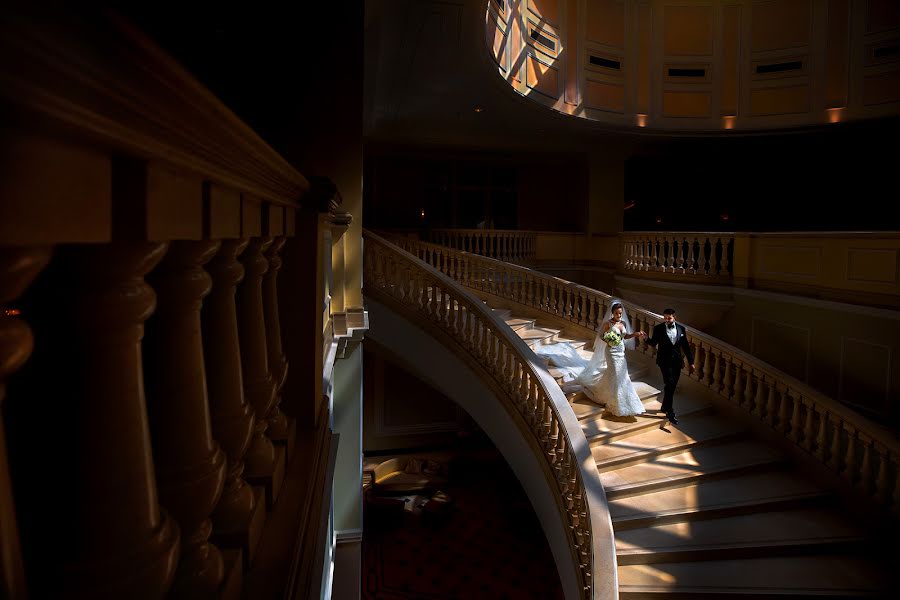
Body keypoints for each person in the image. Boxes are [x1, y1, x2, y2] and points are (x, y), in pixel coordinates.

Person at [575, 300, 646, 417]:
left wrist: (635, 334)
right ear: (612, 313)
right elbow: (601, 336)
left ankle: (621, 398)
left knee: (622, 376)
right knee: (617, 375)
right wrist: (611, 340)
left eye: (620, 313)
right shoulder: (608, 324)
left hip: (621, 353)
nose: (619, 315)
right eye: (617, 313)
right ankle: (616, 402)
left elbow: (625, 336)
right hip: (611, 352)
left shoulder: (623, 323)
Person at [645, 308, 694, 425]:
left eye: (669, 318)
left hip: (677, 362)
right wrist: (646, 339)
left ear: (674, 318)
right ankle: (670, 412)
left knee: (671, 386)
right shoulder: (658, 329)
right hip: (664, 362)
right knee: (670, 383)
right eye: (665, 318)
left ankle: (665, 406)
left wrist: (691, 362)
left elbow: (686, 347)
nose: (667, 320)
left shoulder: (681, 329)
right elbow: (653, 343)